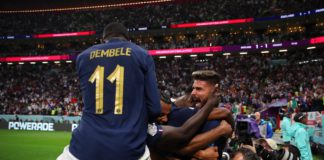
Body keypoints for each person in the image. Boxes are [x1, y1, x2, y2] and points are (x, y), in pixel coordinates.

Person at [57, 22, 161, 160]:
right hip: (128, 147)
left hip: (83, 147)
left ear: (102, 40)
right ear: (128, 40)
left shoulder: (83, 57)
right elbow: (155, 109)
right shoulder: (141, 54)